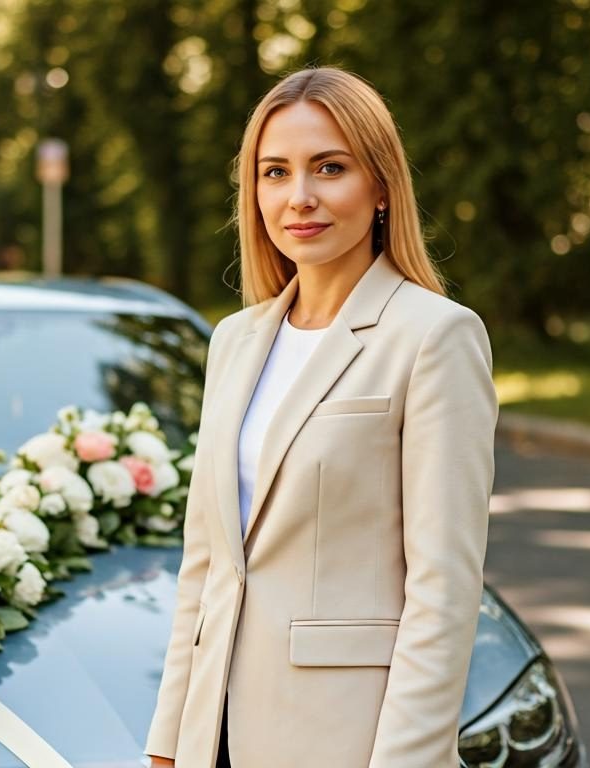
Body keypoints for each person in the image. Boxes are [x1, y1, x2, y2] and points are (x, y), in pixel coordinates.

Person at [145, 66, 498, 768]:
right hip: (217, 737)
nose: (299, 196)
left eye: (329, 168)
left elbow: (443, 593)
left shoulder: (435, 336)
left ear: (381, 186)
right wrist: (169, 744)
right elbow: (206, 569)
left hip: (345, 740)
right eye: (275, 172)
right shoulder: (235, 341)